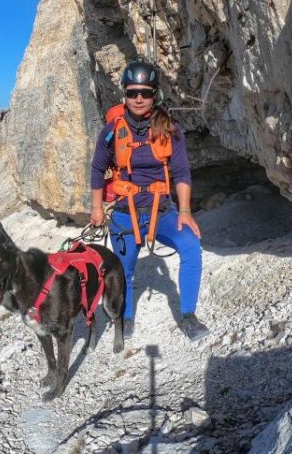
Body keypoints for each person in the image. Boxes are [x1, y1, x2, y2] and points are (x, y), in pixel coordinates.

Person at [89, 59, 208, 340]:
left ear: (156, 94)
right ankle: (126, 318)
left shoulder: (171, 130)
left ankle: (188, 316)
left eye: (145, 92)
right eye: (132, 93)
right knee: (123, 268)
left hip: (162, 210)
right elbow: (96, 168)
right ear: (125, 95)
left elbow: (181, 171)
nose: (138, 98)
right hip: (124, 212)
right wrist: (96, 208)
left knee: (191, 247)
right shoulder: (111, 132)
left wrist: (186, 211)